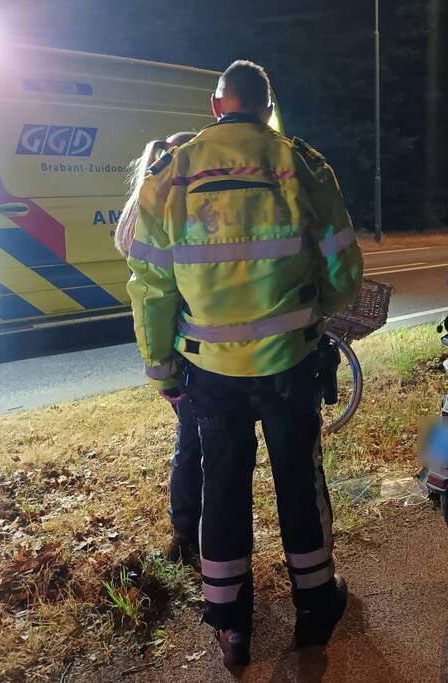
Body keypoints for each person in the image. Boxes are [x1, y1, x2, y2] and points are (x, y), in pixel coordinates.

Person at [126, 60, 362, 669]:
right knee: (300, 483)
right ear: (267, 108)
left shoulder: (170, 173)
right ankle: (315, 607)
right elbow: (344, 275)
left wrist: (161, 369)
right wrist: (311, 311)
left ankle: (231, 625)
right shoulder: (301, 165)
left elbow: (150, 288)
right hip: (290, 365)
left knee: (222, 487)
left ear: (216, 106)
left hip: (210, 374)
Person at [114, 131, 201, 564]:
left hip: (168, 346)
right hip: (190, 343)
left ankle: (186, 529)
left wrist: (159, 365)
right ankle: (186, 533)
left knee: (191, 438)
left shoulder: (142, 207)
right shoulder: (176, 207)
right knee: (195, 441)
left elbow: (149, 299)